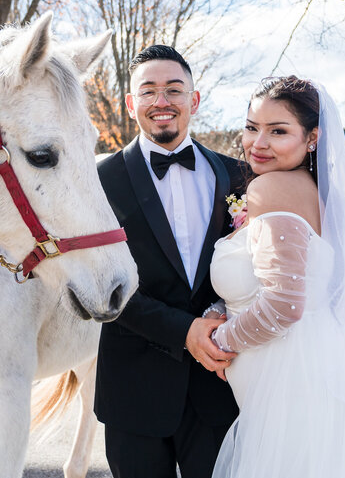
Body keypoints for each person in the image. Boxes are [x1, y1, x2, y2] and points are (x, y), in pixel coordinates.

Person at [208, 76, 345, 477]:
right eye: (252, 127)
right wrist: (218, 308)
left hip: (287, 379)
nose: (258, 143)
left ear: (312, 138)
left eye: (278, 131)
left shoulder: (270, 189)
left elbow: (283, 306)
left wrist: (217, 343)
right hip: (316, 367)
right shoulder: (315, 190)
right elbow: (289, 281)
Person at [94, 45, 248, 478]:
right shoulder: (97, 182)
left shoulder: (237, 176)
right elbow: (104, 283)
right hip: (133, 390)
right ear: (131, 104)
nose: (161, 102)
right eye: (148, 91)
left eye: (174, 90)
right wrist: (184, 332)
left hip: (220, 385)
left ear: (194, 100)